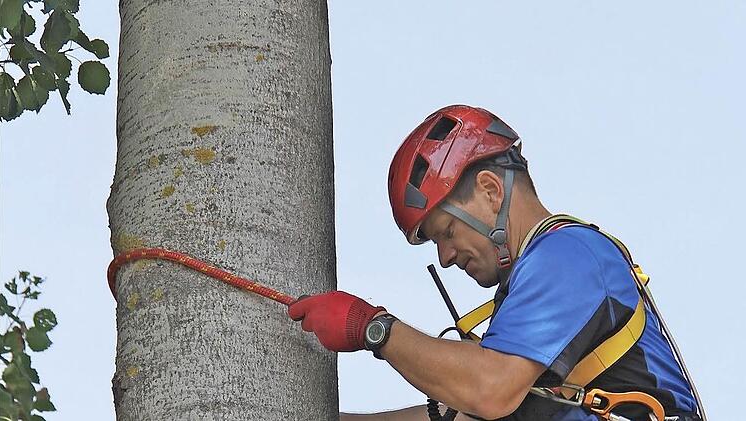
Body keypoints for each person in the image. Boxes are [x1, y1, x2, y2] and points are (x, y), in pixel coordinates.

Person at [288, 105, 704, 420]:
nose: (445, 257)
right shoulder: (527, 303)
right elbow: (459, 412)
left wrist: (373, 328)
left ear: (489, 191)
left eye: (446, 232)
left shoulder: (569, 256)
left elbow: (488, 390)